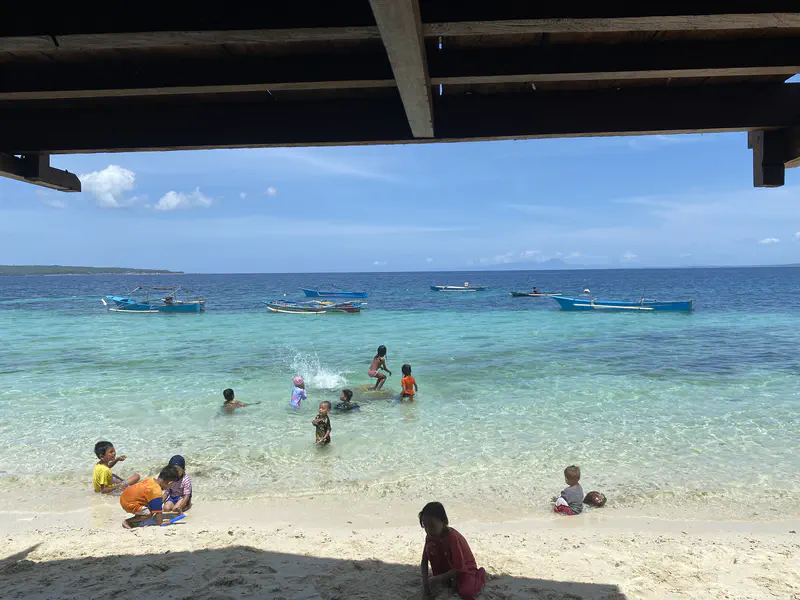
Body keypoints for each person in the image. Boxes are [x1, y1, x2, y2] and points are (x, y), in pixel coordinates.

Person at [419, 502, 486, 600]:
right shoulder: (430, 536)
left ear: (444, 522)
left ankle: (481, 574)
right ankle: (445, 579)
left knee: (467, 593)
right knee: (430, 548)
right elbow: (424, 561)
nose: (428, 530)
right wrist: (425, 581)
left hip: (464, 569)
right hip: (447, 569)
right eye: (425, 526)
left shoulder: (452, 537)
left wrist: (438, 578)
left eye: (432, 525)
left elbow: (459, 568)